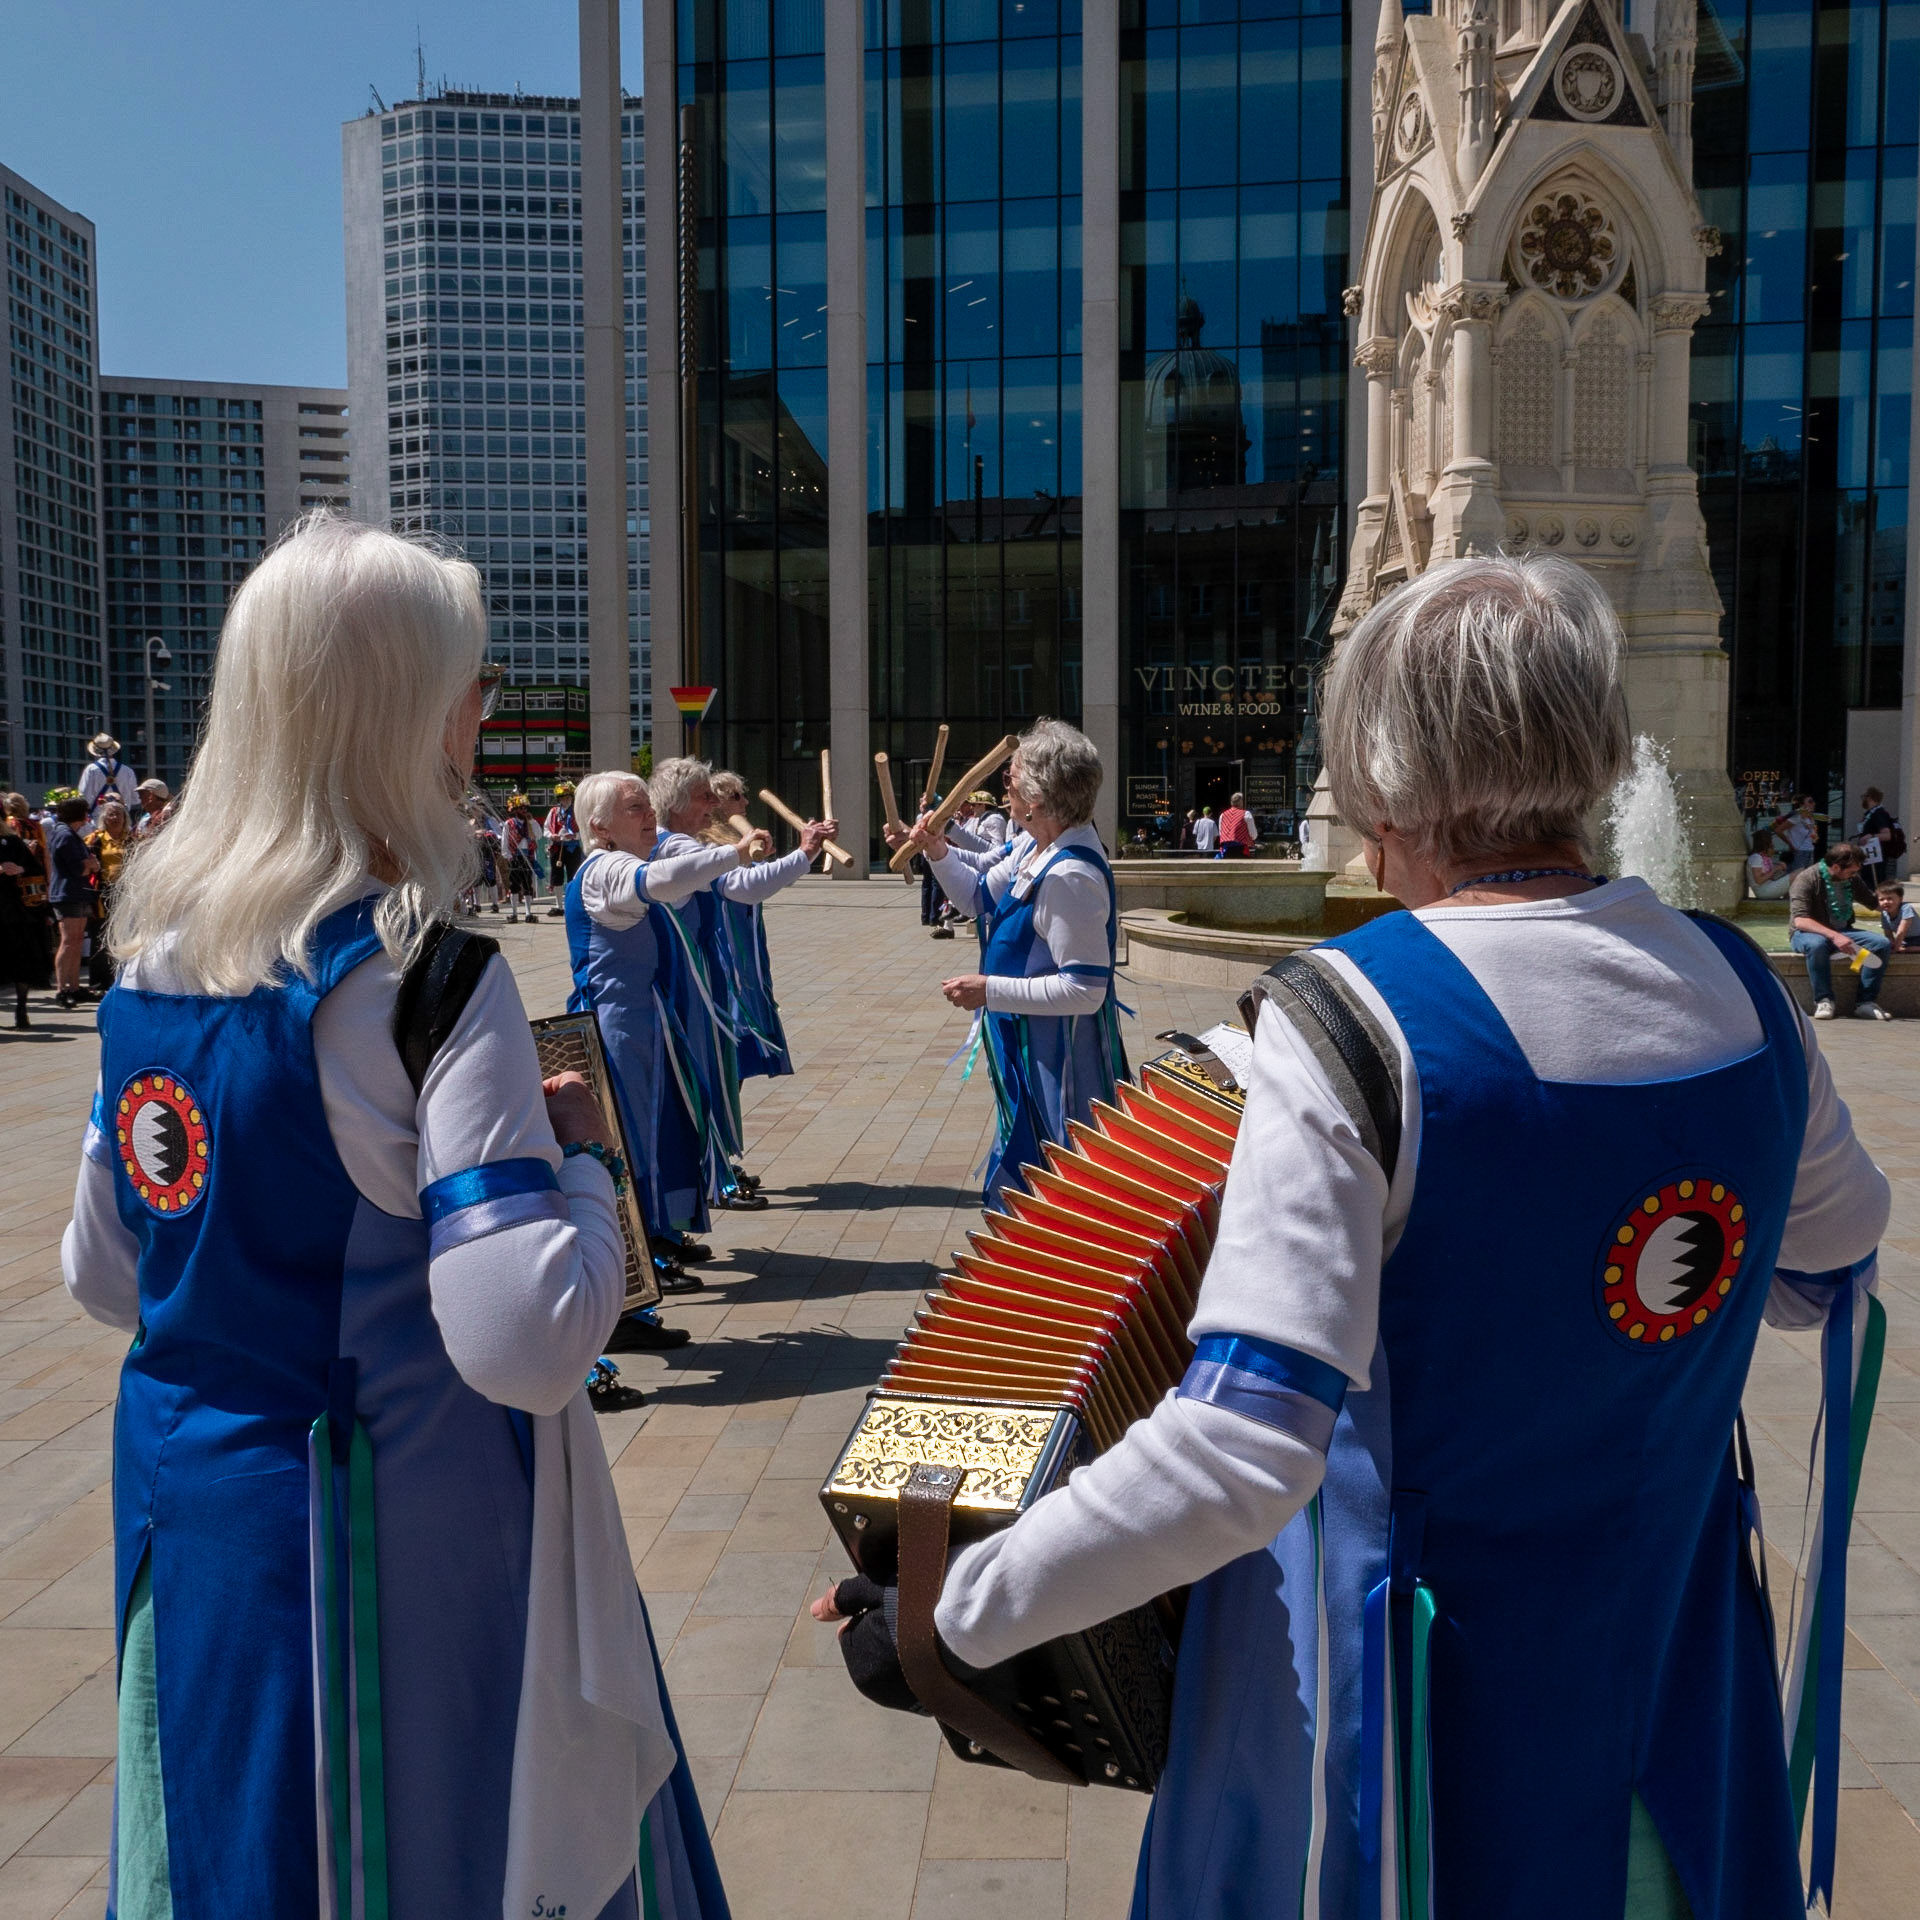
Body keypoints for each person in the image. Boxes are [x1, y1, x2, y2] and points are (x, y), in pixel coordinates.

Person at [822, 553, 1890, 1919]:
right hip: (1676, 1707)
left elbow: (1243, 1449)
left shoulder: (1352, 1019)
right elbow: (1828, 1271)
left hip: (1410, 1755)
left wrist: (951, 1614)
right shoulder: (1750, 990)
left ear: (1384, 779)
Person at [61, 518, 728, 1918]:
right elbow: (527, 1343)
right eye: (467, 683)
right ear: (402, 712)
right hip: (389, 1544)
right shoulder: (427, 982)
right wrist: (585, 1166)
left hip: (193, 1515)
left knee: (218, 1840)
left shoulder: (149, 977)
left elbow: (108, 1277)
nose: (480, 714)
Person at [566, 769, 776, 1312]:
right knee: (633, 1140)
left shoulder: (626, 862)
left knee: (661, 1130)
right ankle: (635, 1268)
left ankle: (654, 1241)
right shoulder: (606, 869)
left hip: (646, 1020)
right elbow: (659, 882)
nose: (649, 815)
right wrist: (734, 853)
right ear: (599, 826)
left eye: (648, 805)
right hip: (615, 1027)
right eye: (634, 808)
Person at [894, 718, 1126, 1208]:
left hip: (1058, 1057)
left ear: (1036, 799)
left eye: (1010, 779)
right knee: (1033, 1162)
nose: (1006, 791)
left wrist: (990, 990)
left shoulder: (1069, 875)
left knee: (1061, 1167)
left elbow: (1086, 990)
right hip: (1029, 1042)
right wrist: (936, 849)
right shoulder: (1035, 845)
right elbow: (975, 896)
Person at [649, 757, 837, 1210]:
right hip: (688, 979)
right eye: (705, 796)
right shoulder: (679, 846)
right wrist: (804, 852)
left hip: (690, 975)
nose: (714, 804)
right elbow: (743, 886)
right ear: (679, 803)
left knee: (707, 1073)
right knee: (703, 1075)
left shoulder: (674, 843)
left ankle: (709, 1173)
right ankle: (708, 1180)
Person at [1789, 840, 1893, 1021]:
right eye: (1852, 871)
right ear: (1836, 867)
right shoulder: (1806, 879)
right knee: (1817, 945)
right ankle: (1824, 1000)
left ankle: (1865, 1003)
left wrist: (1898, 910)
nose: (1855, 875)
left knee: (1881, 944)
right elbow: (1801, 921)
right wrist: (1835, 936)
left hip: (1843, 932)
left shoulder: (1852, 879)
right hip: (1806, 934)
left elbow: (1873, 903)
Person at [44, 796, 97, 1010]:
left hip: (76, 892)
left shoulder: (69, 834)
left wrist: (89, 864)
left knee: (76, 941)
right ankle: (61, 989)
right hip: (67, 893)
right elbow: (79, 868)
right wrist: (90, 864)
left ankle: (74, 986)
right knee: (68, 941)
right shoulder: (65, 834)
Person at [0, 802, 50, 1029]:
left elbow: (35, 869)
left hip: (14, 911)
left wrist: (20, 869)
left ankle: (21, 1008)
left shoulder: (12, 842)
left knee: (21, 960)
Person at [86, 799, 135, 990]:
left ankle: (121, 978)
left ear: (125, 818)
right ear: (103, 818)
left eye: (118, 814)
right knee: (100, 935)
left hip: (125, 893)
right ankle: (99, 981)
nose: (115, 818)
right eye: (111, 814)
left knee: (122, 934)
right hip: (102, 893)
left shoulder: (132, 839)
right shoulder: (94, 839)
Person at [78, 734, 140, 820]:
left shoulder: (91, 770)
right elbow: (135, 799)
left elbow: (84, 797)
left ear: (95, 751)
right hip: (122, 819)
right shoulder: (128, 771)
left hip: (98, 818)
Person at [501, 795, 542, 923]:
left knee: (527, 884)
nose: (524, 810)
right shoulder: (509, 823)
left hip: (528, 856)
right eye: (521, 808)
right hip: (515, 856)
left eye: (525, 808)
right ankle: (514, 913)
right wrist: (507, 855)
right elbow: (505, 840)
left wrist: (532, 821)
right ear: (515, 810)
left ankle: (528, 913)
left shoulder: (530, 823)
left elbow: (539, 835)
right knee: (514, 885)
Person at [544, 781, 582, 917]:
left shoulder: (577, 811)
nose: (566, 801)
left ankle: (571, 905)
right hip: (557, 847)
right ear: (559, 799)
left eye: (568, 798)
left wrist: (575, 835)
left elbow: (584, 830)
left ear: (571, 798)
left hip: (572, 848)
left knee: (573, 876)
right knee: (556, 877)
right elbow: (546, 829)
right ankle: (559, 906)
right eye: (563, 798)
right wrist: (552, 835)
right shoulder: (554, 812)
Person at [1856, 787, 1897, 888]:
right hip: (1867, 856)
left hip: (1875, 859)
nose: (1863, 800)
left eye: (1864, 797)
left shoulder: (1879, 813)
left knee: (1874, 883)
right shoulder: (1870, 813)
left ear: (1869, 798)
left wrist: (1871, 836)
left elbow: (1887, 835)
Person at [1772, 794, 1822, 870]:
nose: (1813, 804)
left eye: (1813, 801)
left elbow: (1813, 836)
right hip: (1799, 852)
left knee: (1806, 876)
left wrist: (1814, 834)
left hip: (1809, 850)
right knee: (1796, 875)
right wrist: (1790, 844)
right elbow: (1778, 830)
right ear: (1802, 805)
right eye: (1810, 802)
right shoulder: (1796, 817)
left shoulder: (1810, 817)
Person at [1746, 832, 1793, 900]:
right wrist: (1775, 869)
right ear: (1766, 843)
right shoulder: (1756, 858)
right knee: (1797, 874)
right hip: (1763, 891)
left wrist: (1779, 868)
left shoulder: (1764, 857)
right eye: (1770, 841)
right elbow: (1759, 880)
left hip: (1768, 886)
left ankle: (1788, 900)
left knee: (1798, 872)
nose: (1772, 844)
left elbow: (1770, 877)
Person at [1216, 790, 1258, 857]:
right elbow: (1253, 835)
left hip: (1225, 851)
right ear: (1241, 802)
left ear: (1231, 802)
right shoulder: (1246, 814)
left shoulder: (1222, 815)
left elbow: (1221, 833)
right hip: (1241, 850)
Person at [1878, 882, 1919, 951]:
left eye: (1889, 898)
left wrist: (1896, 948)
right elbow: (1888, 934)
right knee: (1883, 943)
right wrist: (1891, 944)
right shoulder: (1884, 914)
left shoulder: (1906, 908)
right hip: (1905, 940)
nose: (1885, 902)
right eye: (1881, 899)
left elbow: (1902, 931)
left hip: (1918, 937)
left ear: (1900, 899)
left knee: (1909, 949)